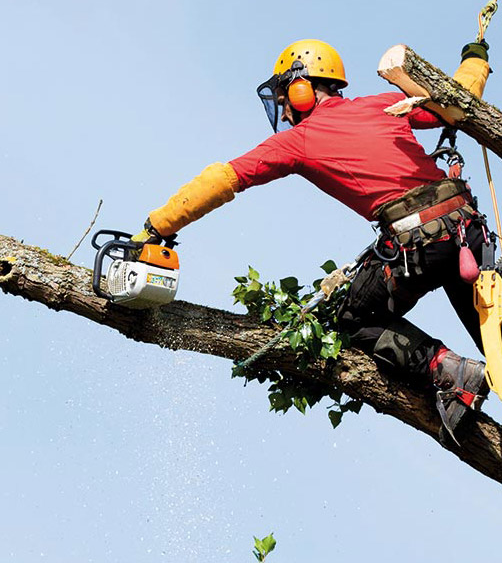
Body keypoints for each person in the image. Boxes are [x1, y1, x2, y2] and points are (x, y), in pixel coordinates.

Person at [133, 38, 492, 444]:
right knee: (495, 335)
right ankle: (463, 374)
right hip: (468, 232)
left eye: (285, 99)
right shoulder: (380, 104)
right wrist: (475, 59)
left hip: (417, 245)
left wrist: (157, 226)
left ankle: (447, 368)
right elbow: (458, 101)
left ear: (303, 87)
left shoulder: (299, 140)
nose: (285, 112)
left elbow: (225, 179)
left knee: (353, 321)